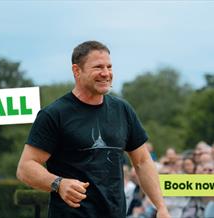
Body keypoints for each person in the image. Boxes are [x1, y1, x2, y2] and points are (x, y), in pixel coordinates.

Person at [16, 41, 170, 218]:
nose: (106, 73)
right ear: (76, 71)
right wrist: (58, 183)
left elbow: (142, 161)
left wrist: (161, 207)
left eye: (109, 67)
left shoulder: (122, 110)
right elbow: (25, 167)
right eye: (98, 67)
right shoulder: (54, 114)